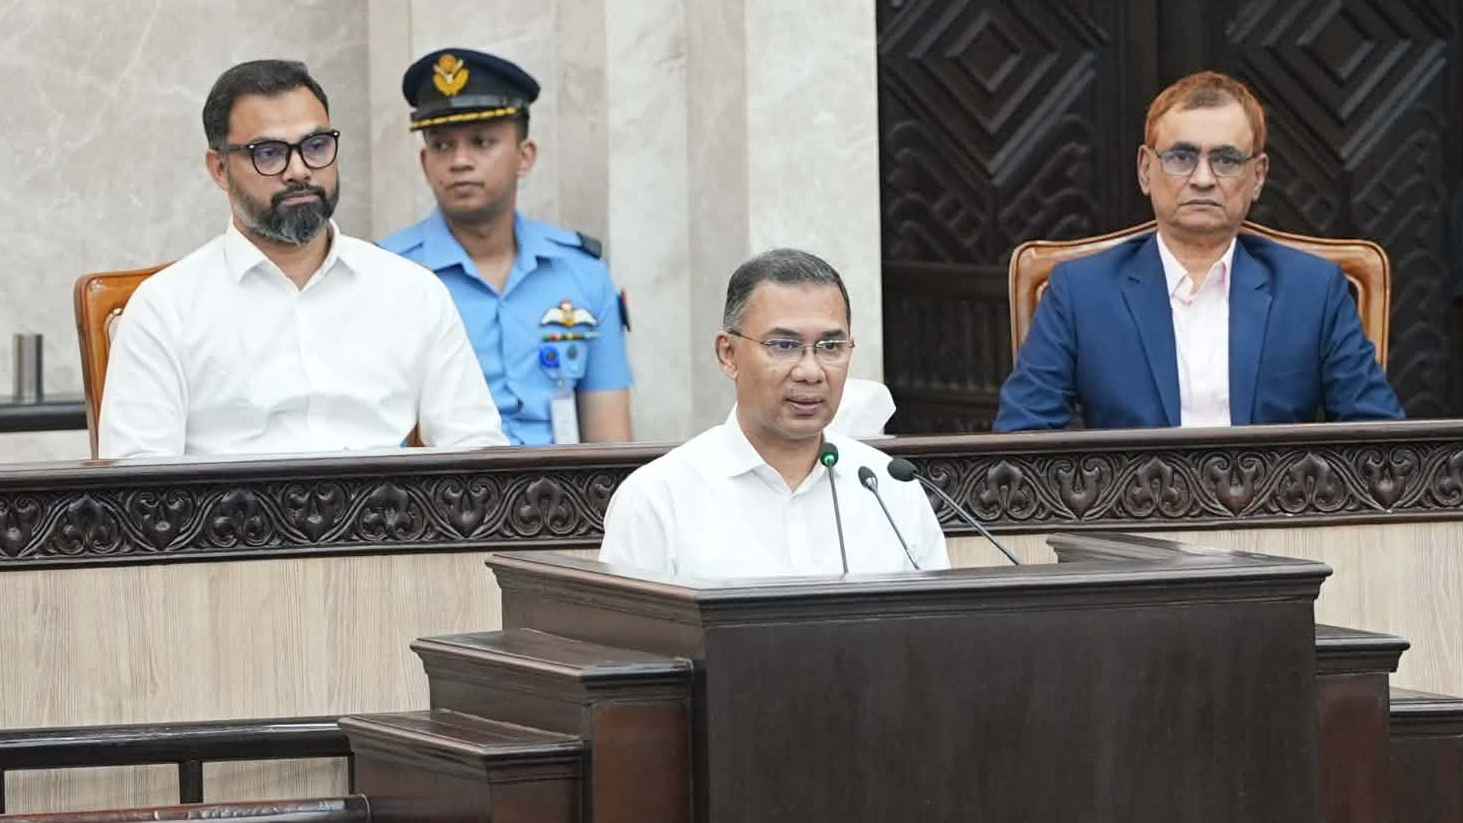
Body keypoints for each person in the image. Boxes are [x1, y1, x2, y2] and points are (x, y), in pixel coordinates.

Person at [100, 60, 508, 458]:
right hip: (229, 523)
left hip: (383, 521)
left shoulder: (411, 292)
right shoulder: (165, 308)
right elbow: (137, 492)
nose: (299, 171)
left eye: (316, 146)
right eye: (269, 153)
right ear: (219, 169)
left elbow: (476, 455)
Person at [994, 71, 1403, 431]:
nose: (1203, 179)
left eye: (1226, 159)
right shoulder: (1081, 292)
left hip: (1274, 515)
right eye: (1181, 157)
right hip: (1131, 517)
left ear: (1257, 176)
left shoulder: (1312, 290)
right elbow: (1022, 440)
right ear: (1145, 170)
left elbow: (1378, 442)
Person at [599, 249, 949, 578]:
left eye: (830, 346)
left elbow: (938, 630)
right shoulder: (658, 498)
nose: (810, 371)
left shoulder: (888, 488)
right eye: (784, 346)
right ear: (728, 355)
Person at [381, 49, 633, 446]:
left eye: (482, 142)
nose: (460, 161)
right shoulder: (389, 277)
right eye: (443, 146)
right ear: (425, 161)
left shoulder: (581, 273)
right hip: (441, 499)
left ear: (525, 156)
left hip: (564, 500)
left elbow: (610, 444)